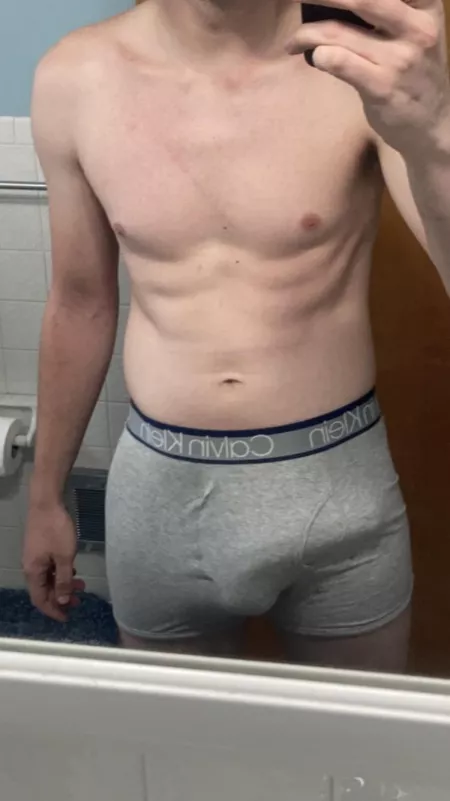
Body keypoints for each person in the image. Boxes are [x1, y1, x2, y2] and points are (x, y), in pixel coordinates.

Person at [23, 0, 450, 670]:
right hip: (160, 497)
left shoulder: (360, 63)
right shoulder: (74, 78)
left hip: (339, 493)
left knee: (354, 736)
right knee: (177, 735)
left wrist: (435, 133)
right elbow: (79, 305)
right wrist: (45, 497)